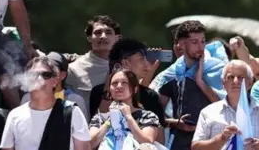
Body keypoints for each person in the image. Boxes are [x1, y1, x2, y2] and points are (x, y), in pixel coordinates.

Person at [0, 56, 91, 150]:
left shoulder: (73, 112)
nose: (39, 78)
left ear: (55, 81)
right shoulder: (15, 115)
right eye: (33, 74)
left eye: (46, 75)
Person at [158, 21, 222, 150]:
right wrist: (176, 123)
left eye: (203, 41)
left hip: (211, 140)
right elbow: (156, 113)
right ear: (182, 44)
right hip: (179, 142)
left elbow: (226, 107)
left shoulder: (216, 68)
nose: (200, 47)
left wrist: (200, 81)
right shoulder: (173, 73)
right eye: (194, 42)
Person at [88, 38, 166, 140]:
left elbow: (159, 140)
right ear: (126, 63)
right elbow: (93, 135)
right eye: (142, 59)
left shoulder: (150, 96)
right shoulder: (98, 92)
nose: (146, 64)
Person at [192, 60, 259, 150]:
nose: (235, 81)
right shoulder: (208, 112)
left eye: (240, 77)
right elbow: (195, 147)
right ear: (223, 83)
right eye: (231, 77)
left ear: (250, 83)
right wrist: (221, 139)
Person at [88, 69, 160, 149]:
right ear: (110, 89)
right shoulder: (99, 118)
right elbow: (90, 145)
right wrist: (109, 121)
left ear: (135, 89)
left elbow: (147, 142)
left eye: (124, 83)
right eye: (114, 83)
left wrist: (128, 117)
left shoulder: (147, 116)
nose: (119, 86)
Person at [66, 15, 122, 108]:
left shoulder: (126, 66)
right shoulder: (74, 69)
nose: (103, 36)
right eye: (98, 33)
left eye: (108, 33)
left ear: (117, 38)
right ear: (89, 37)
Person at [21, 52, 88, 120]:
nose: (41, 78)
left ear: (63, 75)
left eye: (48, 73)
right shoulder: (28, 98)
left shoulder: (75, 101)